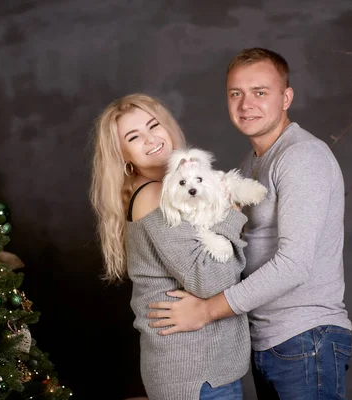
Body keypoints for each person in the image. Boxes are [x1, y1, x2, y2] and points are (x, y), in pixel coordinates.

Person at [147, 48, 352, 400]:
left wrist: (205, 311)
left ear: (286, 97)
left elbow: (294, 264)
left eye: (260, 92)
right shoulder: (251, 162)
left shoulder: (302, 157)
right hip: (268, 340)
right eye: (236, 93)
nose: (246, 105)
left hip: (305, 337)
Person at [89, 93, 251, 400]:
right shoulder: (151, 196)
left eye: (154, 126)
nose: (151, 140)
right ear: (123, 154)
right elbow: (209, 280)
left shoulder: (172, 190)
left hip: (204, 367)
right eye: (134, 137)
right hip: (195, 373)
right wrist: (232, 215)